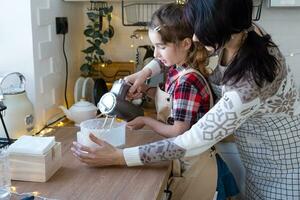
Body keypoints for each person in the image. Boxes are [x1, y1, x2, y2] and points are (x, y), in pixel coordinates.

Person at [71, 0, 300, 199]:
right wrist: (145, 73)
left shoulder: (250, 81)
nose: (195, 37)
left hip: (285, 172)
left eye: (200, 30)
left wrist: (119, 157)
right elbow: (181, 51)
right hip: (255, 164)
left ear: (220, 26)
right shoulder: (237, 33)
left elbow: (189, 140)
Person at [126, 3, 212, 138]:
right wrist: (143, 88)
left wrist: (145, 120)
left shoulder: (187, 82)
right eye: (154, 46)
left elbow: (178, 131)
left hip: (191, 156)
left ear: (185, 44)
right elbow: (171, 102)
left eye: (161, 47)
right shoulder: (177, 68)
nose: (155, 54)